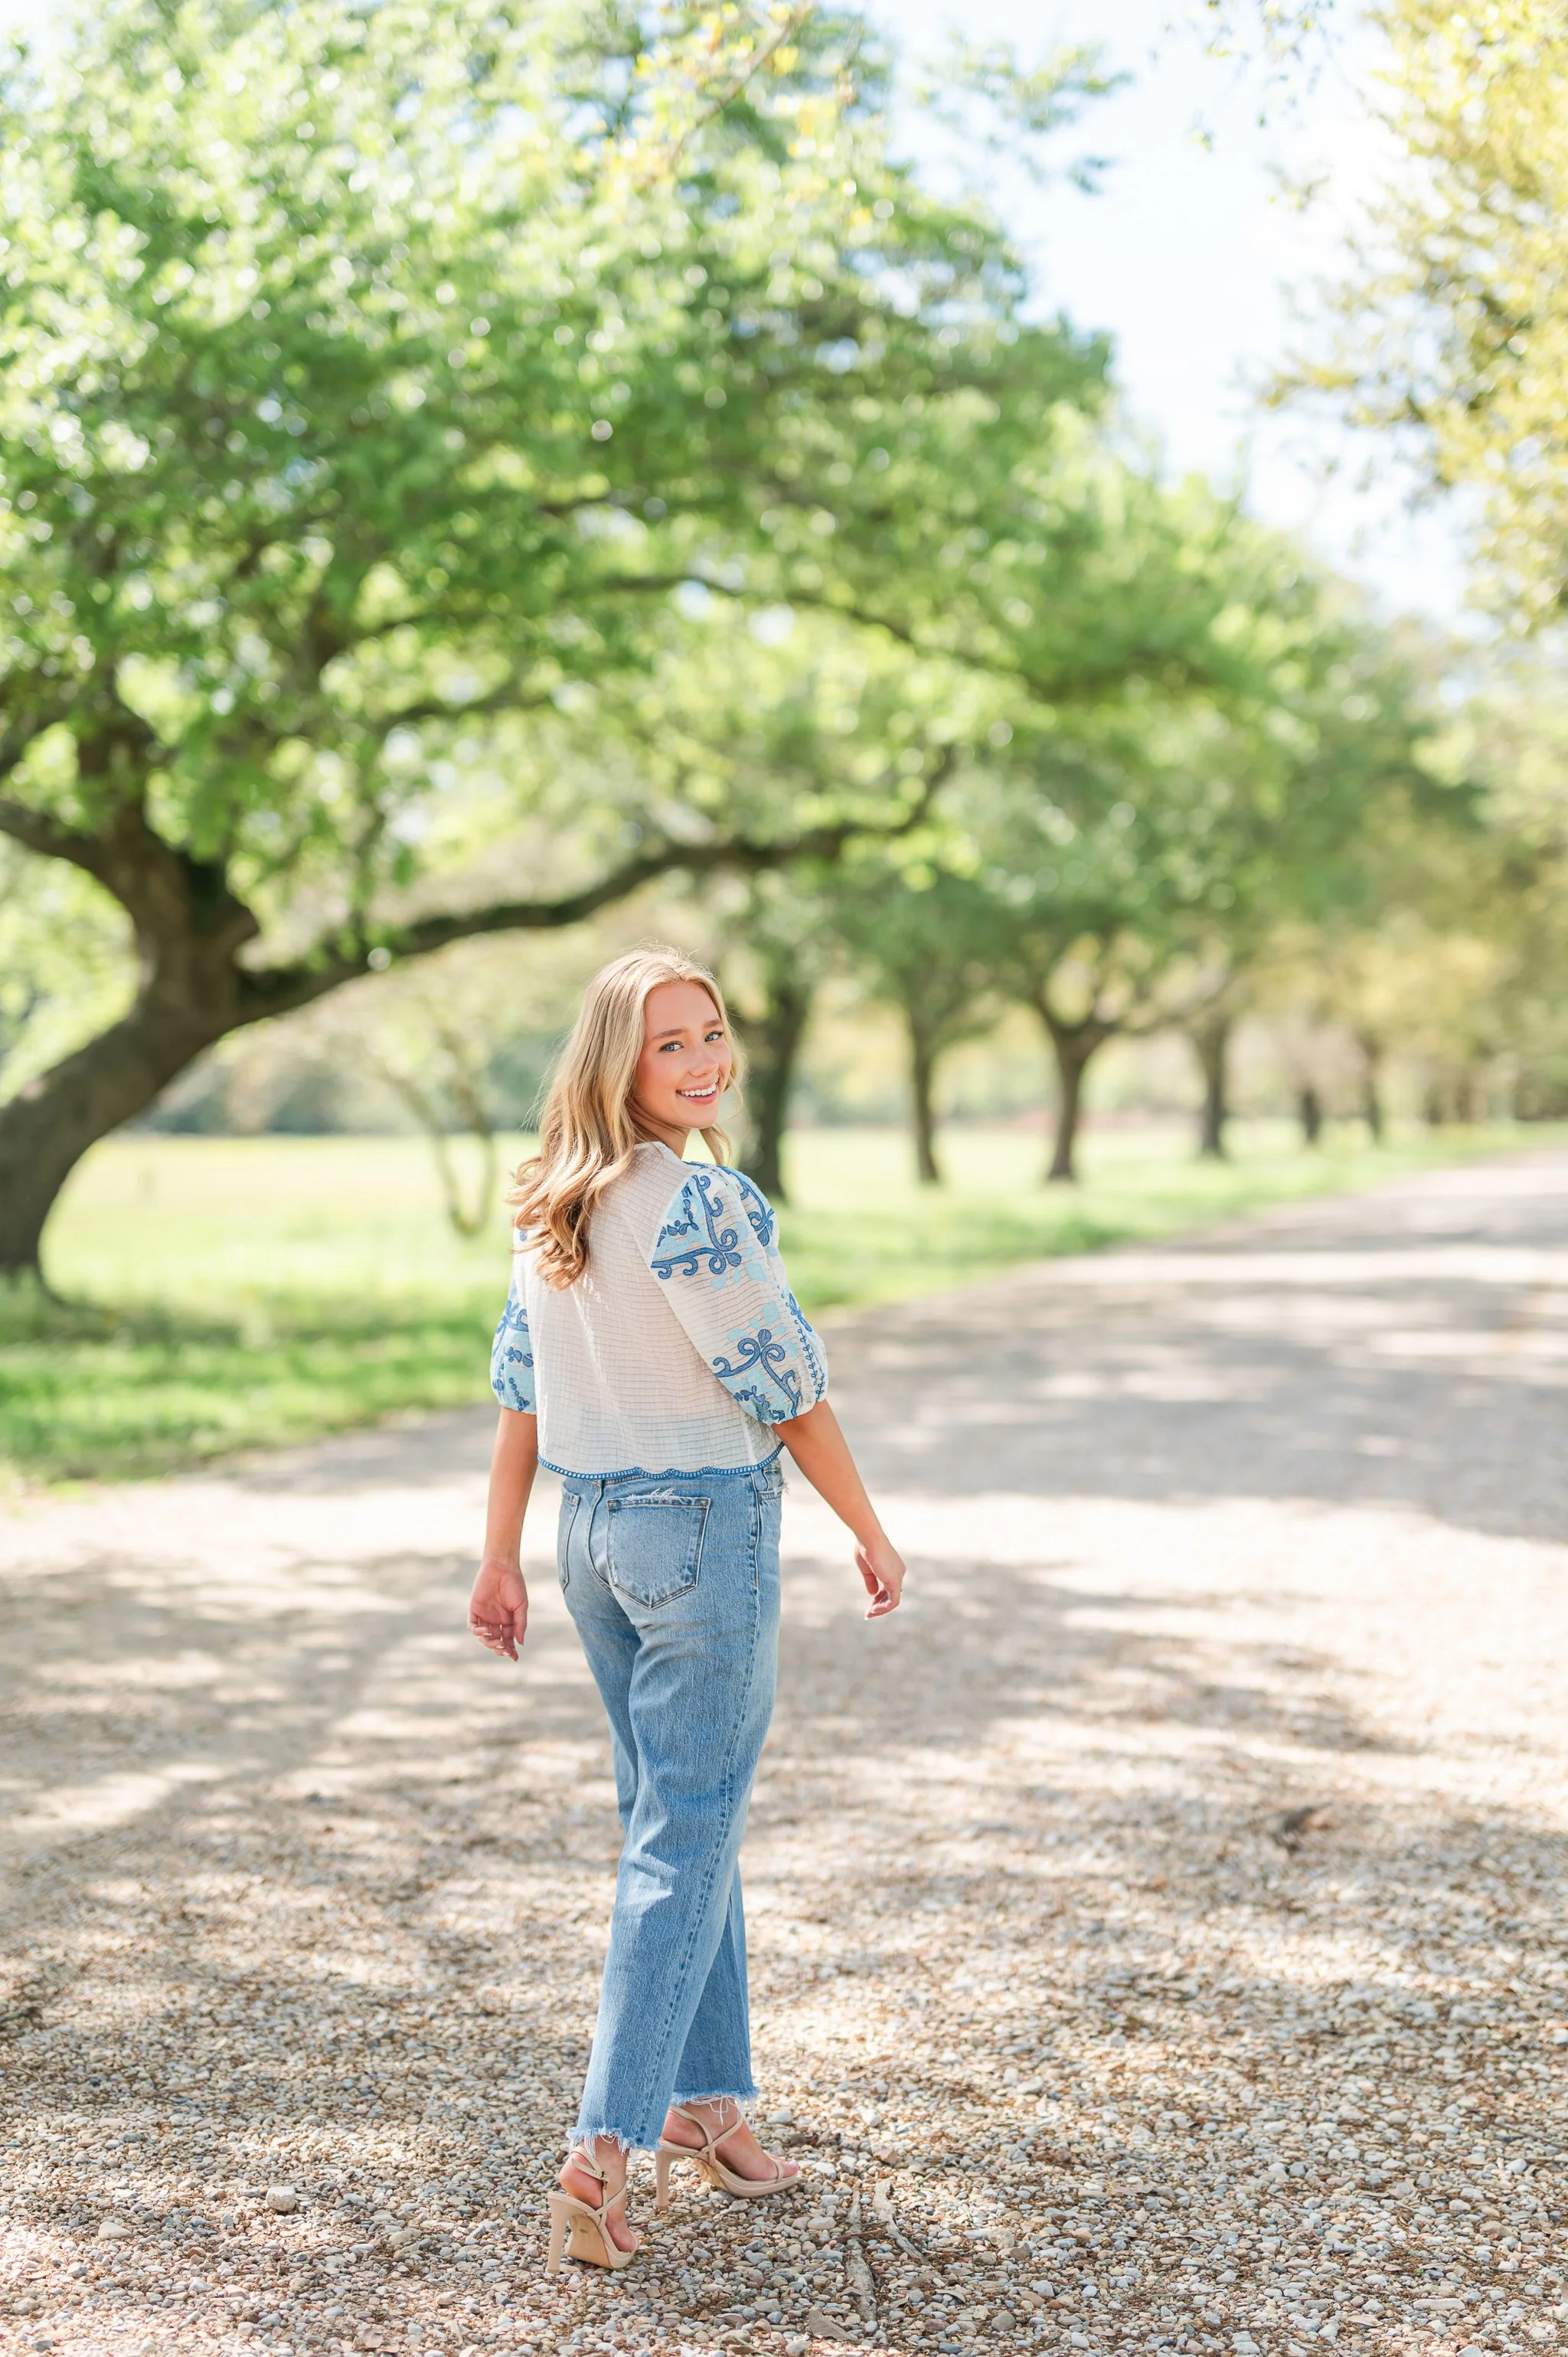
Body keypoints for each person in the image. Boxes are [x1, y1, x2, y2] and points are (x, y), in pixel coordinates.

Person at [467, 946, 906, 2274]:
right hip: (703, 1528)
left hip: (591, 1535)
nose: (706, 1059)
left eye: (713, 1033)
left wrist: (500, 1558)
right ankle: (603, 2152)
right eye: (673, 1043)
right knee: (688, 1825)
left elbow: (520, 1398)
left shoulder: (559, 1200)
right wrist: (868, 1524)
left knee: (674, 1815)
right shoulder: (697, 1203)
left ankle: (712, 2106)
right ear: (620, 1060)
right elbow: (784, 1381)